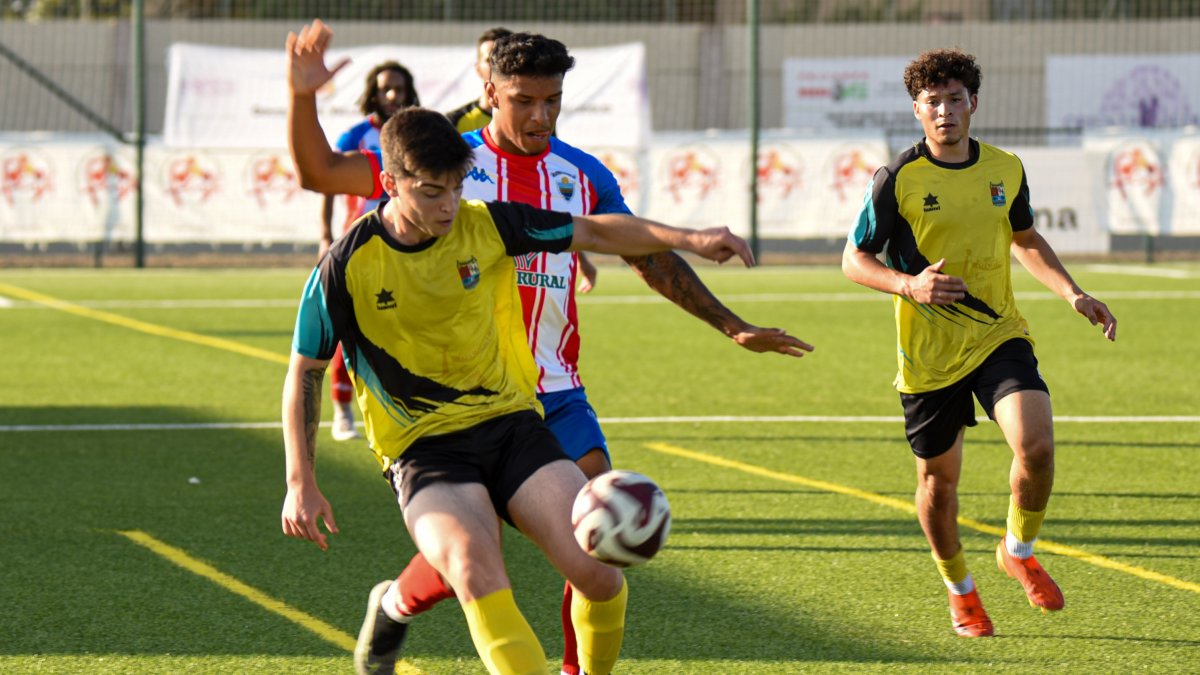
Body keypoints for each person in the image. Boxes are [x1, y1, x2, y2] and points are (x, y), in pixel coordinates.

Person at [287, 24, 814, 675]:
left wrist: (720, 300)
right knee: (470, 554)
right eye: (524, 100)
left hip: (545, 391)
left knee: (595, 546)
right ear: (490, 94)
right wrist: (302, 97)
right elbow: (320, 173)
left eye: (553, 100)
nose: (540, 115)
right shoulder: (438, 155)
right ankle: (397, 603)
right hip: (433, 423)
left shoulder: (572, 175)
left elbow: (633, 248)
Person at [841, 48, 1117, 638]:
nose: (945, 111)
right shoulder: (897, 179)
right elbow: (853, 259)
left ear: (974, 104)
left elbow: (1025, 236)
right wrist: (909, 285)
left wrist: (1073, 294)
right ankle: (960, 590)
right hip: (929, 355)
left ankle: (1017, 548)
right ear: (917, 110)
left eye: (955, 99)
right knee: (939, 487)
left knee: (1037, 448)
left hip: (998, 334)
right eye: (932, 102)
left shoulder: (1006, 168)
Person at [318, 60, 420, 441]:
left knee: (409, 325)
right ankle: (342, 410)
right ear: (373, 94)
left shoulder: (416, 133)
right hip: (359, 244)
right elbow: (328, 181)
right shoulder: (356, 136)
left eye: (399, 88)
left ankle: (408, 405)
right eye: (385, 89)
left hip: (406, 244)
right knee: (347, 326)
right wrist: (325, 236)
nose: (392, 95)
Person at [445, 27, 511, 133]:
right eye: (490, 60)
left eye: (504, 58)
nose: (498, 66)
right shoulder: (453, 123)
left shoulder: (538, 120)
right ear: (478, 68)